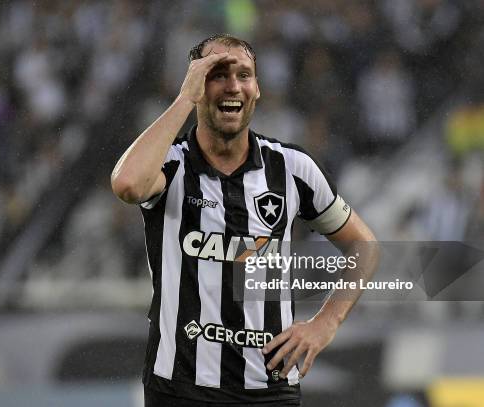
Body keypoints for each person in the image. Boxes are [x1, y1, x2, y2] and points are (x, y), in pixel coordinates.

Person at [111, 34, 379, 406]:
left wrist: (325, 324)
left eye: (244, 75)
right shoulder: (171, 165)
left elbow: (364, 246)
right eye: (217, 74)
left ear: (256, 90)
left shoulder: (292, 168)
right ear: (197, 85)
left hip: (269, 390)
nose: (233, 85)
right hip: (180, 389)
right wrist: (183, 99)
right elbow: (127, 184)